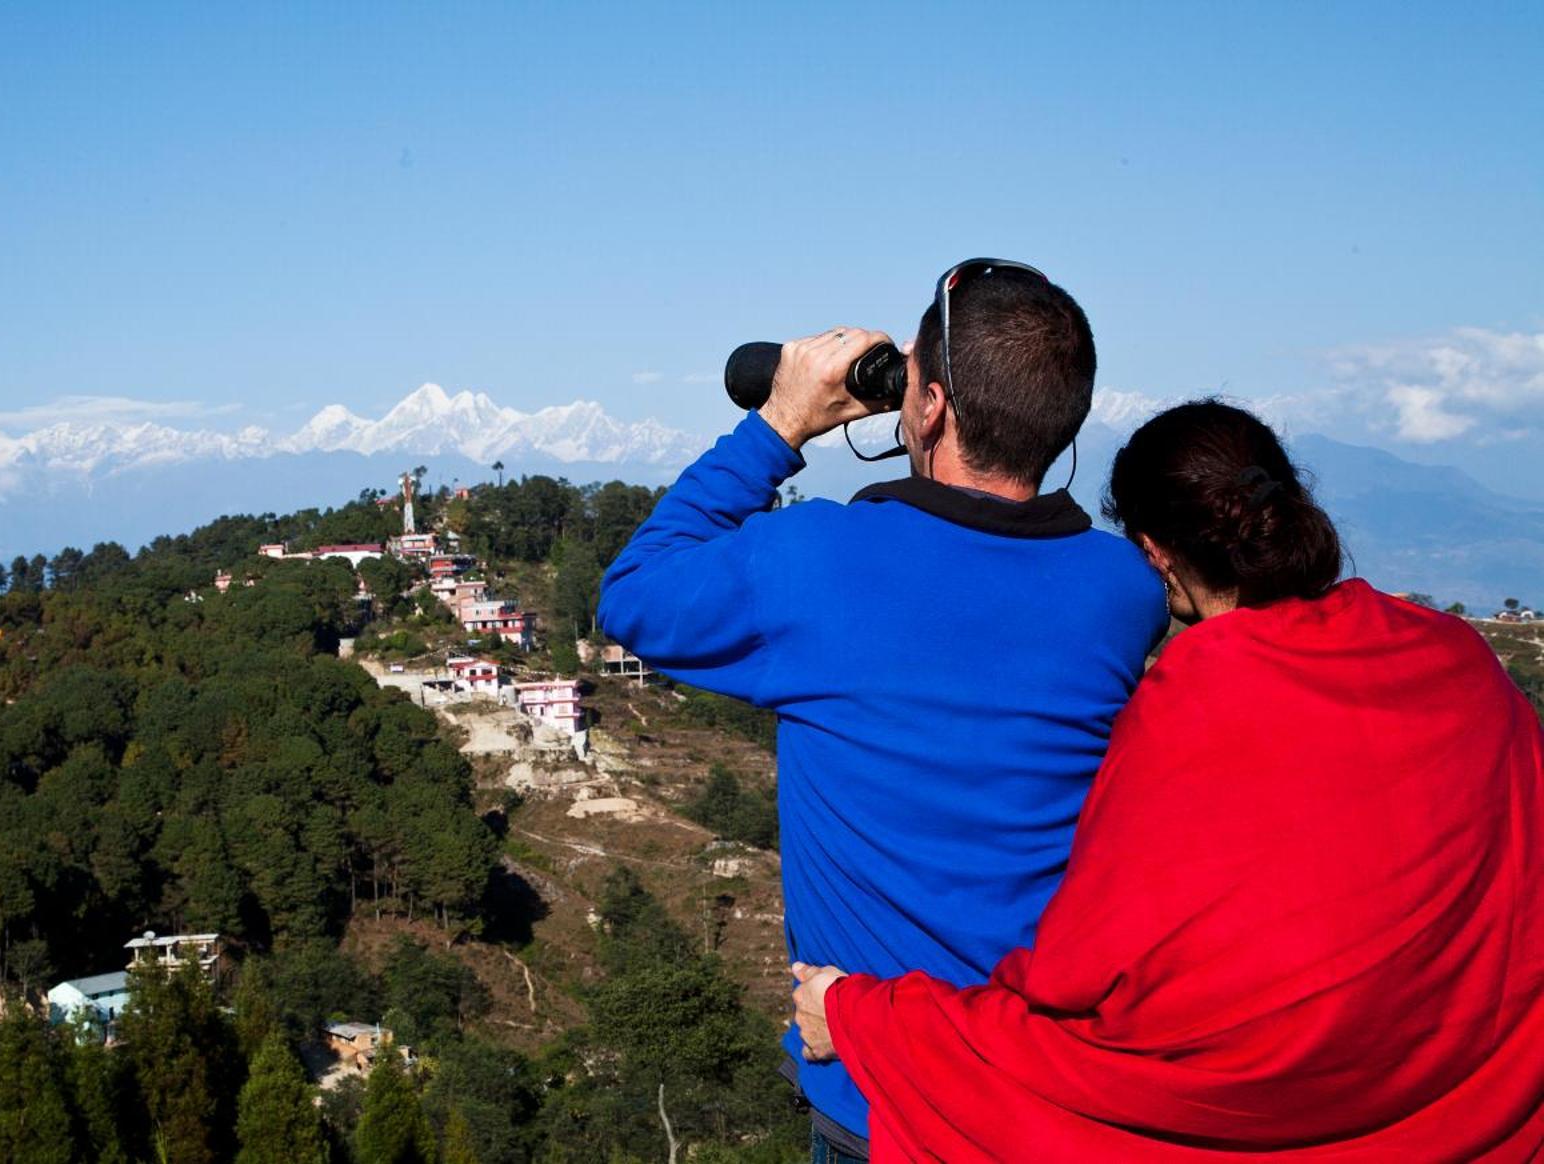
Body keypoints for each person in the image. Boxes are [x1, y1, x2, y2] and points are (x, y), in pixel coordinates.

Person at [792, 400, 1544, 1160]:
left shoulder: (1194, 703)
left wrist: (863, 1016)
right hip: (1481, 1095)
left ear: (1155, 554)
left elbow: (1077, 988)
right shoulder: (1453, 655)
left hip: (1280, 1105)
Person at [597, 260, 1170, 1161]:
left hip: (882, 1094)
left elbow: (634, 593)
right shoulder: (1121, 590)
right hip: (1055, 1087)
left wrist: (781, 421)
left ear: (930, 404)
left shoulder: (819, 563)